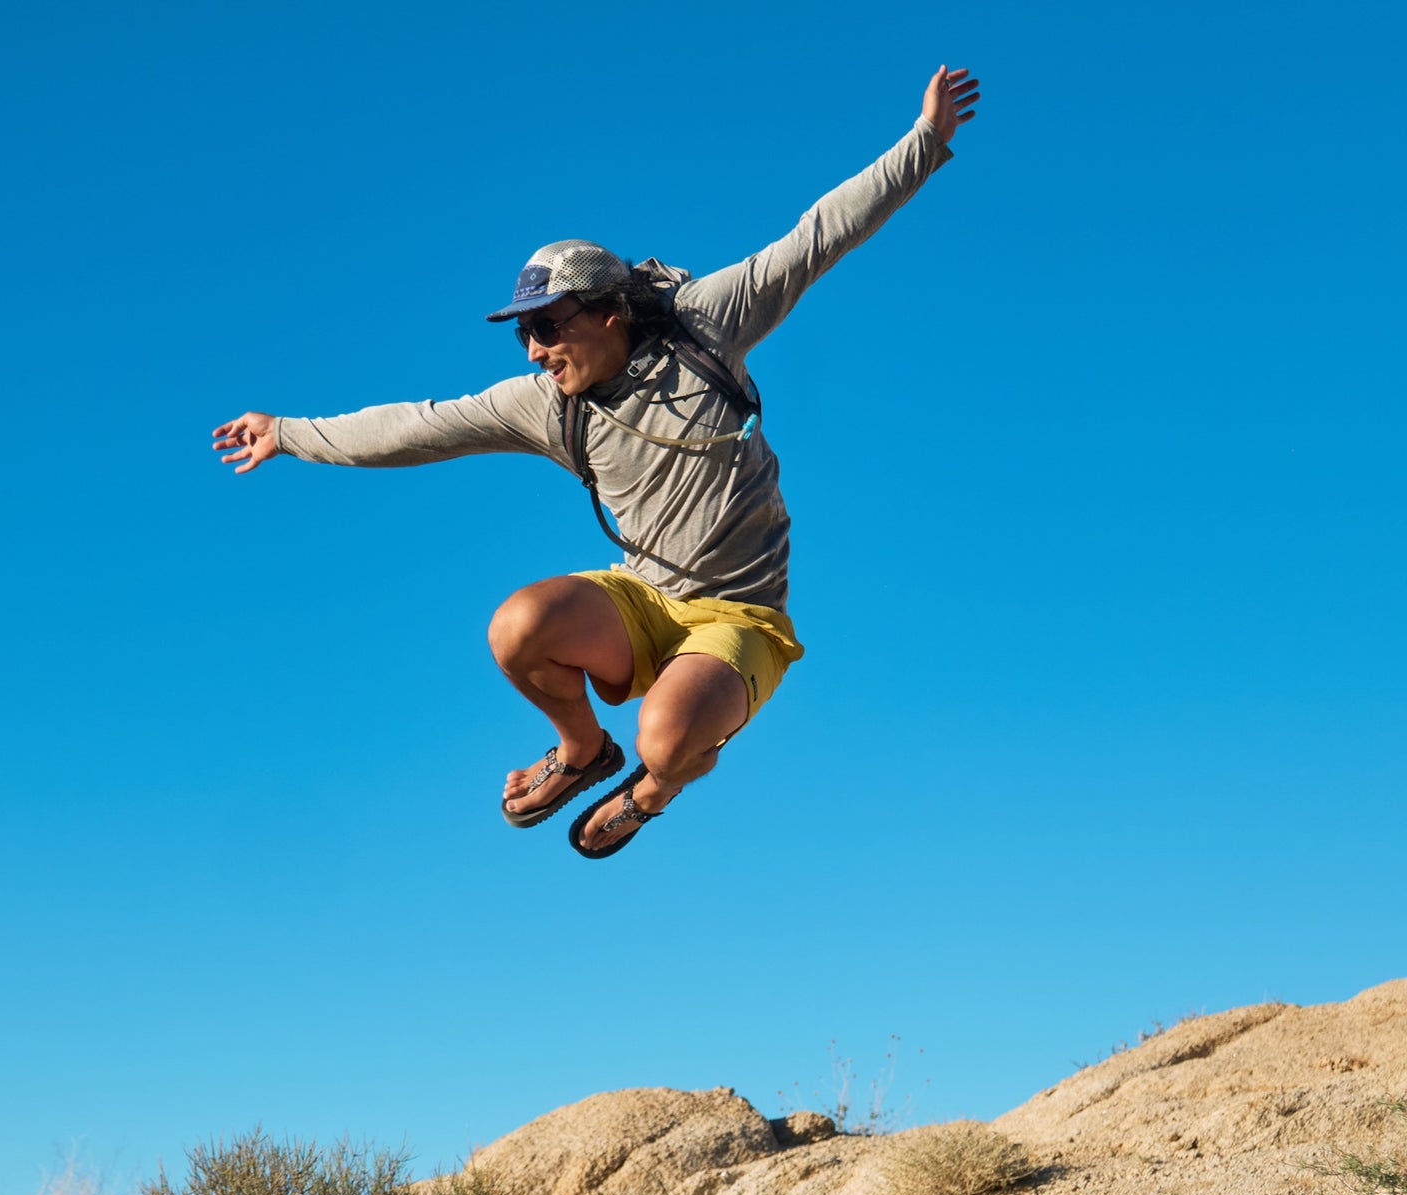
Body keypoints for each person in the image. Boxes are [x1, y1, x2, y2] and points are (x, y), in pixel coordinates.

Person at [213, 66, 980, 859]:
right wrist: (291, 432)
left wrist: (924, 143)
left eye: (549, 325)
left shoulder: (705, 326)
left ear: (610, 310)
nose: (538, 348)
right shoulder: (549, 405)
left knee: (667, 738)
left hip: (738, 616)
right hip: (643, 597)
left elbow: (818, 236)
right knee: (517, 627)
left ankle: (648, 790)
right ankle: (582, 751)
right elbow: (421, 426)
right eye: (523, 333)